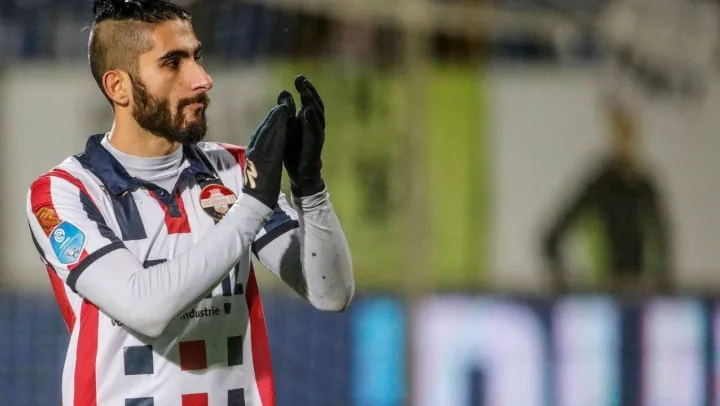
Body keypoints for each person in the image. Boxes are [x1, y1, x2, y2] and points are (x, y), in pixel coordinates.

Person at [25, 0, 354, 405]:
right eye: (172, 63)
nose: (202, 79)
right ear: (118, 87)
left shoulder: (234, 170)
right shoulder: (63, 193)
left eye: (196, 57)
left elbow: (330, 293)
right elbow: (146, 308)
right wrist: (252, 205)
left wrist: (310, 189)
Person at [542, 96, 673, 293]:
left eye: (629, 132)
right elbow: (551, 238)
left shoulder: (645, 187)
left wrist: (661, 283)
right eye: (620, 132)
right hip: (604, 291)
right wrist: (567, 283)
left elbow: (663, 242)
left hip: (638, 292)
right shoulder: (599, 185)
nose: (625, 141)